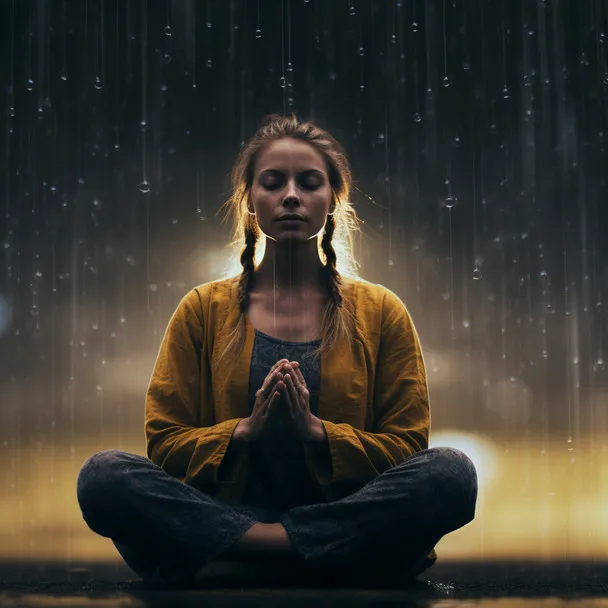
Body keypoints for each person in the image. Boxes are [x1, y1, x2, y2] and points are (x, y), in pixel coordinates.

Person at [76, 114, 478, 588]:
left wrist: (320, 434)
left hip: (336, 514)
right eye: (273, 182)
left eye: (309, 183)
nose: (291, 195)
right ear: (249, 200)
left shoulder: (382, 311)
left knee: (451, 473)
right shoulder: (202, 309)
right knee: (104, 476)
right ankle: (305, 554)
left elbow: (408, 448)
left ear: (333, 200)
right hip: (238, 516)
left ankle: (248, 556)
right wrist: (241, 431)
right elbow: (165, 443)